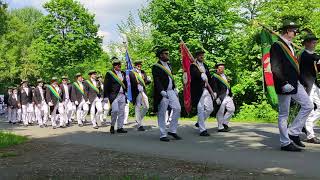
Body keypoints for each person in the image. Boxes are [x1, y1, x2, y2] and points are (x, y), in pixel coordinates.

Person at [270, 21, 313, 152]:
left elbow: (294, 67)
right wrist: (283, 83)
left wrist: (302, 82)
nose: (296, 33)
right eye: (294, 31)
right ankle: (285, 143)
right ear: (288, 31)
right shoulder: (277, 46)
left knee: (308, 105)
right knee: (284, 114)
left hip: (295, 83)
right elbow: (275, 67)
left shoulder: (289, 46)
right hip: (285, 84)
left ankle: (293, 132)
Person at [152, 48, 182, 142]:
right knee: (162, 112)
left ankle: (172, 130)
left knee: (177, 108)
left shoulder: (169, 65)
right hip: (162, 92)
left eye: (167, 53)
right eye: (165, 53)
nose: (167, 55)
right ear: (161, 55)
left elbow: (171, 78)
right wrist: (161, 91)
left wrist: (175, 87)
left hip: (171, 90)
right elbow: (157, 80)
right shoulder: (156, 66)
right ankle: (163, 134)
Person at [299, 34, 320, 144]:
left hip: (315, 84)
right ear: (306, 43)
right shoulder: (303, 55)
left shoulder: (314, 55)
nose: (315, 44)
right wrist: (316, 58)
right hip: (306, 84)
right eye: (312, 42)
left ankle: (306, 125)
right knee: (310, 108)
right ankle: (310, 134)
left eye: (315, 42)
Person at [191, 50, 214, 136]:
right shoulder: (193, 66)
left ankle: (199, 122)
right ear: (196, 56)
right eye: (200, 55)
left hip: (206, 89)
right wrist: (200, 75)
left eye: (202, 55)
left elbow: (210, 79)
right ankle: (202, 130)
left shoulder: (205, 66)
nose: (202, 57)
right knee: (200, 109)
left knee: (210, 108)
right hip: (198, 90)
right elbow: (193, 75)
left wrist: (213, 91)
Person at [104, 57, 128, 134]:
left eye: (120, 65)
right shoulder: (109, 73)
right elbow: (106, 85)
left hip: (122, 95)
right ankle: (112, 125)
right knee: (115, 110)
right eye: (117, 65)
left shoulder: (123, 73)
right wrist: (105, 96)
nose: (119, 66)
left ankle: (120, 127)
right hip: (114, 95)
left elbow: (125, 83)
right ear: (114, 66)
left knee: (122, 112)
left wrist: (126, 91)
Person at [211, 62, 235, 132]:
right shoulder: (215, 77)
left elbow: (228, 86)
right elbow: (214, 87)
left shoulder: (226, 76)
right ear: (217, 69)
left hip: (227, 96)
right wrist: (216, 97)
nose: (222, 69)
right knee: (220, 112)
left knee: (231, 109)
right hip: (220, 96)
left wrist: (231, 94)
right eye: (220, 68)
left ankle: (224, 123)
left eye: (223, 68)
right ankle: (220, 127)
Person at [129, 60, 151, 131]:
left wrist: (148, 80)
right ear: (135, 65)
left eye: (140, 65)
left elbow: (145, 82)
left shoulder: (143, 72)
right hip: (136, 91)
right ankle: (139, 124)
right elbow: (131, 83)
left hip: (143, 91)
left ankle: (138, 119)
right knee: (137, 106)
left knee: (146, 106)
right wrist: (136, 84)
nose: (139, 66)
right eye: (138, 65)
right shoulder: (132, 73)